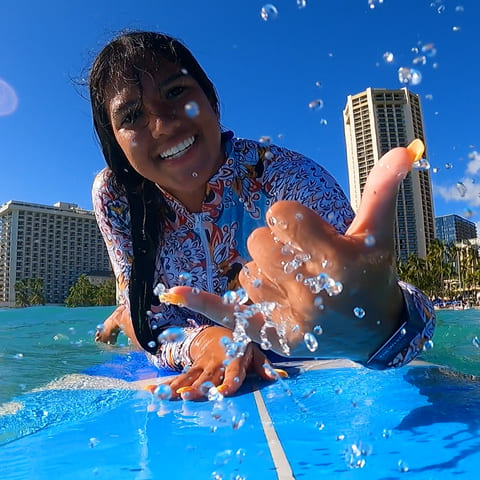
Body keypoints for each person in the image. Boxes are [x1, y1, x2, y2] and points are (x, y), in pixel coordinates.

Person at [90, 30, 435, 400]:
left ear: (211, 101)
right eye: (132, 115)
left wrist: (380, 325)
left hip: (279, 351)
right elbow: (147, 319)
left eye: (176, 92)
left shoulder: (287, 179)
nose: (163, 124)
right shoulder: (118, 197)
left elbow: (360, 285)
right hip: (182, 333)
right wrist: (206, 341)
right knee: (125, 315)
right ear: (116, 146)